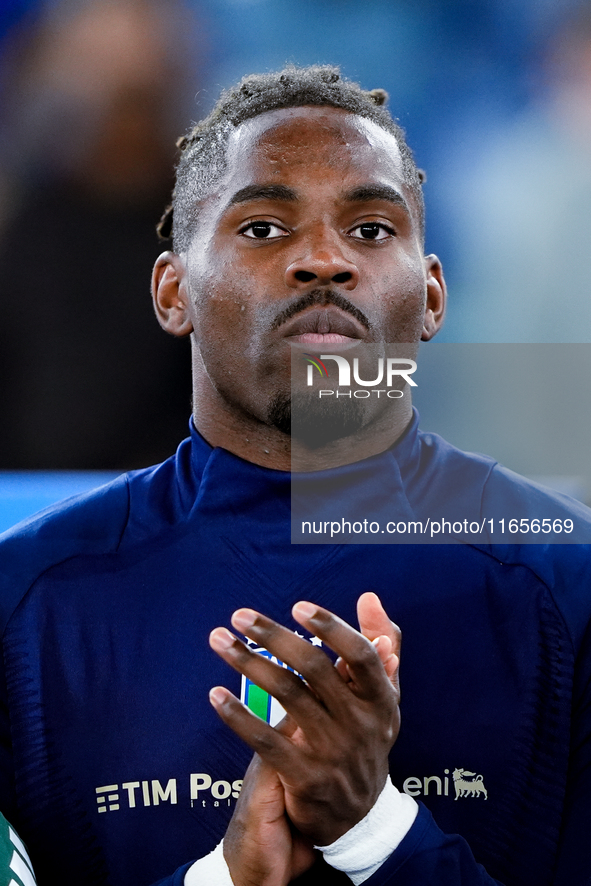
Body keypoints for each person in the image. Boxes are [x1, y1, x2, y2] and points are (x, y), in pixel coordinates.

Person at [0, 65, 590, 886]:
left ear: (431, 298)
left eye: (373, 230)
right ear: (174, 292)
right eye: (265, 229)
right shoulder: (22, 604)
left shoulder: (570, 584)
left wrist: (373, 831)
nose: (323, 259)